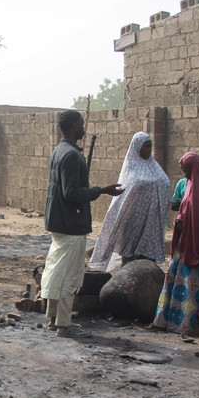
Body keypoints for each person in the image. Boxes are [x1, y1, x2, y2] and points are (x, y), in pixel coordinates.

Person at [41, 110, 123, 337]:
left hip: (59, 222)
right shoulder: (70, 155)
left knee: (57, 269)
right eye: (81, 123)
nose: (83, 127)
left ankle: (53, 317)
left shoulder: (60, 151)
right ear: (73, 126)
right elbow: (71, 192)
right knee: (70, 273)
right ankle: (63, 323)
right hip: (71, 224)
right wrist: (102, 190)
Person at [152, 152, 199, 335]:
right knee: (176, 281)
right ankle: (169, 321)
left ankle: (189, 324)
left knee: (193, 286)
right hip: (184, 244)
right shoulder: (189, 185)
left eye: (185, 170)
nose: (183, 173)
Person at [89, 132, 171, 270]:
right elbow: (125, 195)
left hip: (151, 223)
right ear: (137, 147)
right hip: (132, 222)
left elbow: (165, 184)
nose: (149, 150)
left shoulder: (154, 167)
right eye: (145, 146)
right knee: (130, 259)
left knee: (147, 262)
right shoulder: (131, 169)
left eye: (150, 146)